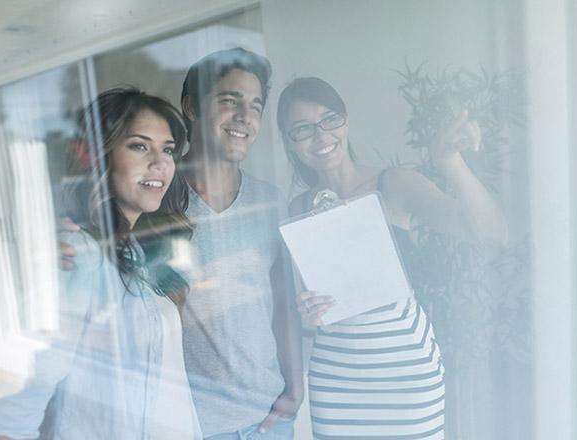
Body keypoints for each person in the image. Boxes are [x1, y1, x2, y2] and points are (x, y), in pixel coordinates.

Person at [276, 77, 508, 439]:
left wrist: (450, 161)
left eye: (329, 120)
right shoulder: (298, 209)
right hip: (335, 376)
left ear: (346, 121)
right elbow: (309, 319)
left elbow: (492, 232)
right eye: (302, 129)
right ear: (291, 143)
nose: (320, 136)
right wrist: (311, 315)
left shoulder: (394, 184)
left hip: (405, 370)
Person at [0, 87, 202, 440]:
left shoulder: (138, 252)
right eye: (140, 146)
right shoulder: (77, 254)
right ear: (100, 157)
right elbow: (12, 413)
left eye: (168, 149)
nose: (160, 162)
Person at [177, 48, 303, 439]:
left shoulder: (270, 202)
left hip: (270, 420)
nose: (245, 118)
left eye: (255, 106)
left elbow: (283, 303)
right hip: (194, 425)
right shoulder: (159, 199)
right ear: (191, 107)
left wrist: (294, 387)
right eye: (229, 101)